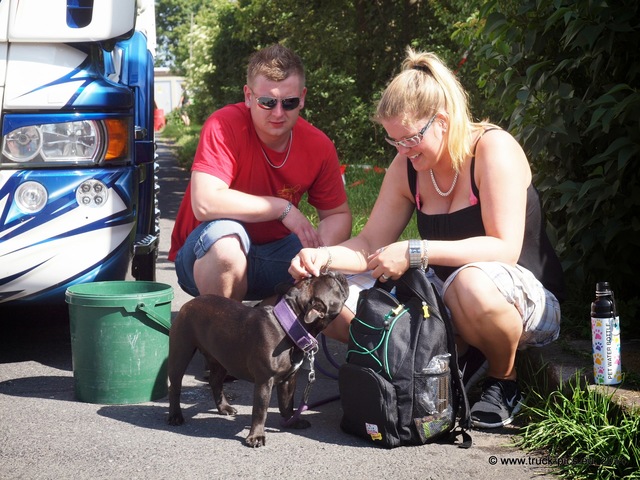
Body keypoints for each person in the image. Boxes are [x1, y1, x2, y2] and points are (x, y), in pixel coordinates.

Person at [289, 48, 564, 429]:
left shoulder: (492, 150)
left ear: (442, 122)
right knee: (331, 290)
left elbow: (504, 248)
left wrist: (416, 251)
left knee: (467, 284)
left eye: (410, 139)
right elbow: (369, 244)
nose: (402, 150)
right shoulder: (408, 166)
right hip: (445, 301)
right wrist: (321, 257)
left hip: (524, 303)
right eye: (394, 141)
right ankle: (421, 369)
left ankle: (505, 380)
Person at [169, 44, 351, 317]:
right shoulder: (223, 124)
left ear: (302, 98)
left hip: (276, 254)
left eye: (288, 103)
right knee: (228, 241)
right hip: (207, 255)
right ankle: (223, 342)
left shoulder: (319, 145)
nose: (278, 113)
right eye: (267, 102)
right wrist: (282, 208)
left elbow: (337, 214)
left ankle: (267, 314)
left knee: (334, 264)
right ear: (248, 95)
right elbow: (205, 203)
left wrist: (317, 258)